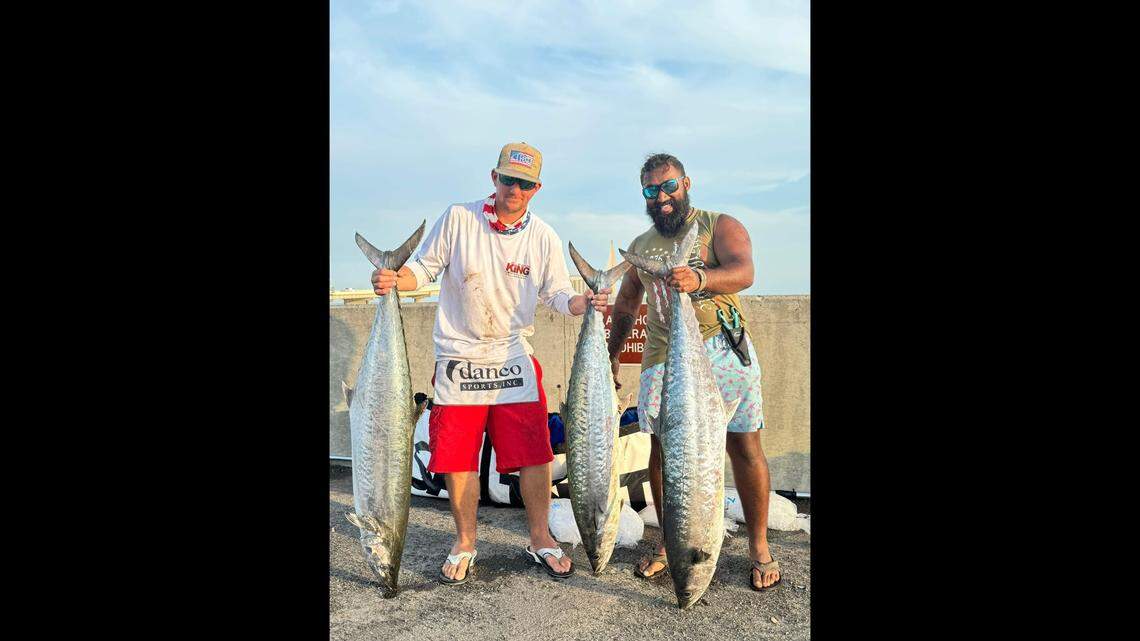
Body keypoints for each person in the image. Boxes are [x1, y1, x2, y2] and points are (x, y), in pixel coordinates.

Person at [371, 142, 611, 585]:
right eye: (508, 179)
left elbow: (556, 293)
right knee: (457, 457)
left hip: (513, 357)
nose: (514, 189)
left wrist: (581, 302)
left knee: (535, 455)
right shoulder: (458, 218)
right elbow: (423, 268)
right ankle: (464, 541)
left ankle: (540, 537)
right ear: (493, 178)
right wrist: (394, 277)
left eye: (524, 183)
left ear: (536, 188)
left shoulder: (543, 236)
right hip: (459, 356)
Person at [607, 153, 781, 592]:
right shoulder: (642, 246)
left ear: (687, 183)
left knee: (743, 445)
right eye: (651, 190)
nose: (661, 197)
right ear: (643, 194)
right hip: (664, 359)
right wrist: (611, 353)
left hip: (723, 348)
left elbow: (744, 272)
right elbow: (627, 302)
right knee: (665, 454)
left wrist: (699, 280)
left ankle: (758, 546)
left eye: (669, 187)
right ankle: (673, 544)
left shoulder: (718, 225)